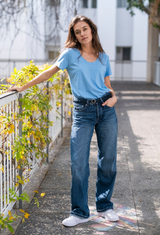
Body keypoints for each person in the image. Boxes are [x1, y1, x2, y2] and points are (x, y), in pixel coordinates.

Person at [8, 15, 119, 227]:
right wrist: (23, 87)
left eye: (85, 29)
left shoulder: (103, 56)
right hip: (83, 111)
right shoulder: (70, 54)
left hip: (106, 110)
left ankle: (105, 206)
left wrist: (114, 98)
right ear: (74, 35)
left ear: (92, 30)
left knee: (108, 160)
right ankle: (79, 212)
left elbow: (108, 85)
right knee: (78, 163)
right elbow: (49, 73)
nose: (82, 34)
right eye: (78, 31)